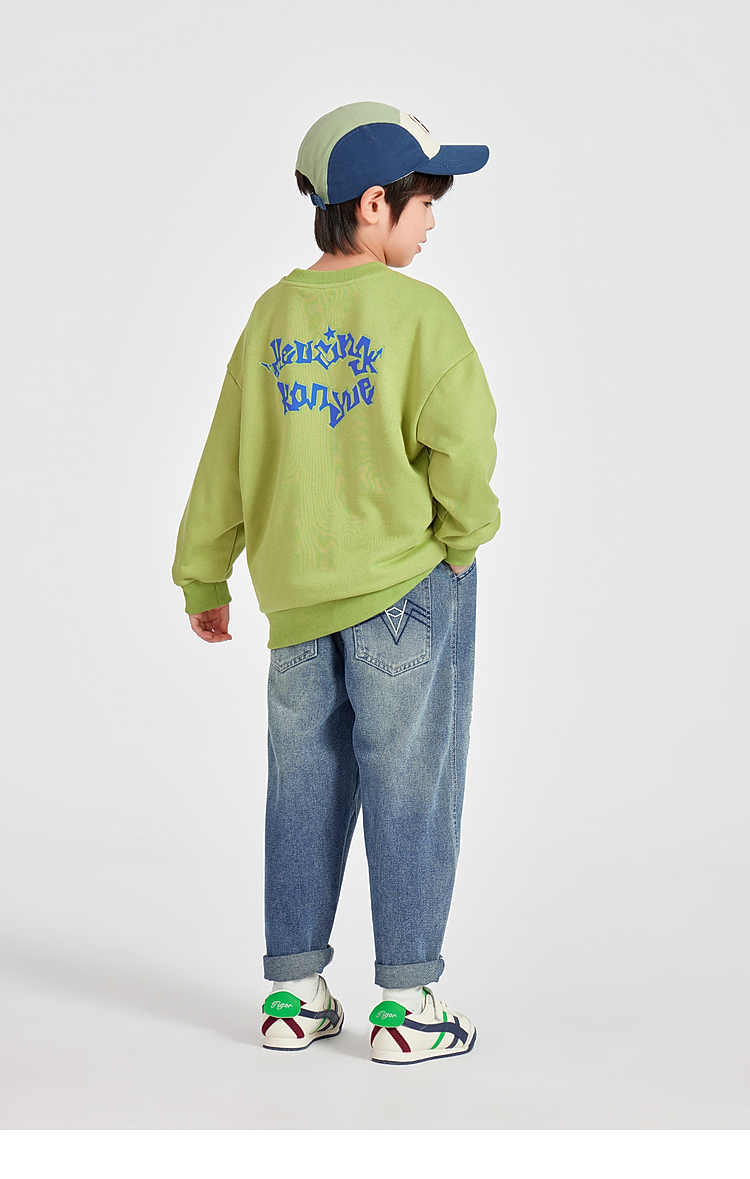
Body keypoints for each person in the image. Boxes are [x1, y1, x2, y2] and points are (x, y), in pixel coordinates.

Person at [172, 102, 501, 1065]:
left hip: (297, 606)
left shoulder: (272, 316)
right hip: (405, 590)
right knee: (411, 787)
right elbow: (463, 447)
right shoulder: (421, 316)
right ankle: (407, 1007)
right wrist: (465, 536)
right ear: (373, 205)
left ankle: (291, 993)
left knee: (303, 788)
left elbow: (226, 454)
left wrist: (204, 571)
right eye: (425, 203)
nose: (432, 222)